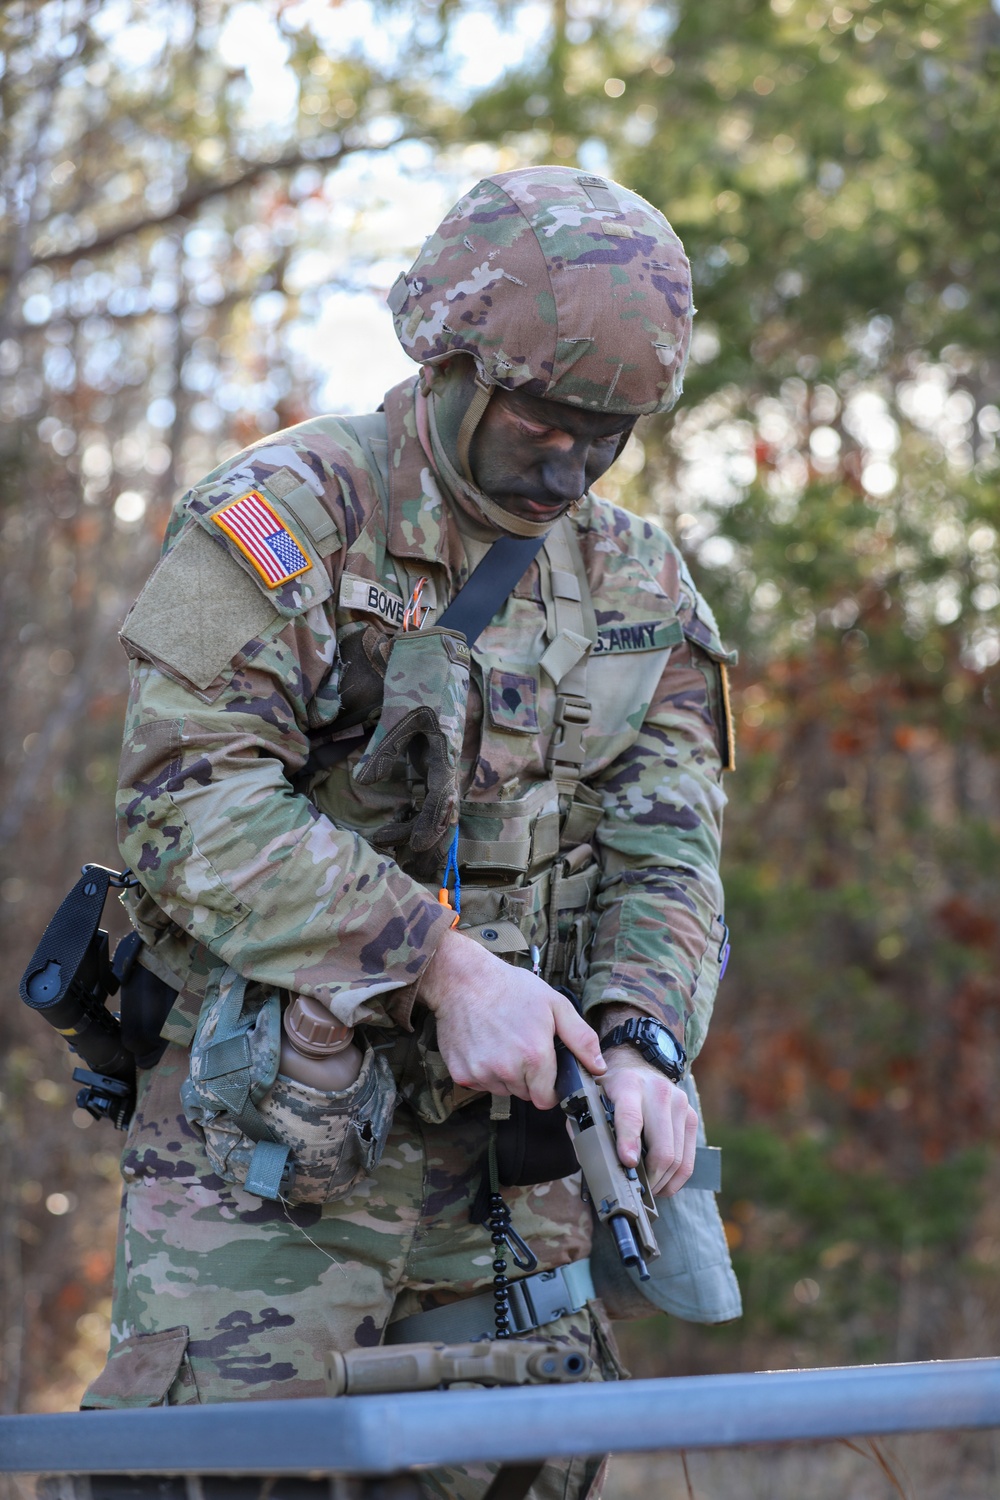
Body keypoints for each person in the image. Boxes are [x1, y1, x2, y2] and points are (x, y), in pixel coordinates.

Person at [82, 165, 738, 1499]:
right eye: (547, 421)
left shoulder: (642, 583)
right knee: (212, 1481)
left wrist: (645, 1038)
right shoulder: (279, 521)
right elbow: (184, 801)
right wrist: (440, 966)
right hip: (274, 1159)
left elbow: (668, 850)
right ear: (450, 355)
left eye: (611, 434)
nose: (574, 463)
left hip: (520, 1178)